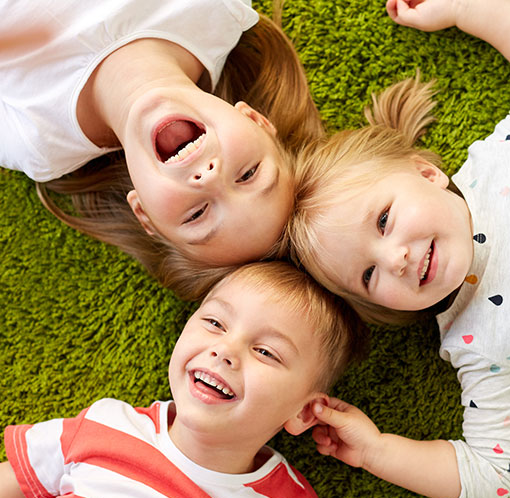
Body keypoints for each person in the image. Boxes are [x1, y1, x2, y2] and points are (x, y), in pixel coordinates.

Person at [286, 0, 510, 498]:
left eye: (384, 220)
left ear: (426, 173)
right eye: (368, 274)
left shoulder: (503, 159)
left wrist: (463, 8)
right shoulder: (477, 343)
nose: (395, 259)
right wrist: (378, 452)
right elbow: (492, 473)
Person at [0, 260, 368, 498]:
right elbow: (11, 485)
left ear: (303, 412)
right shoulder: (106, 425)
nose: (224, 350)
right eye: (215, 323)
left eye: (266, 352)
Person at [0, 0, 323, 300]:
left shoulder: (37, 143)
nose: (209, 179)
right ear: (254, 119)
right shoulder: (218, 11)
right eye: (248, 174)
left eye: (197, 214)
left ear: (143, 213)